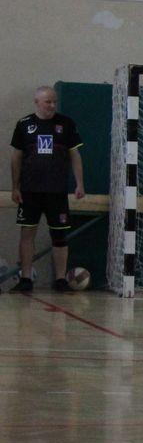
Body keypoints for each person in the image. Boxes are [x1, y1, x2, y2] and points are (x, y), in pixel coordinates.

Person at [9, 86, 84, 292]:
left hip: (56, 190)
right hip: (30, 191)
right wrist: (15, 187)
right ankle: (26, 278)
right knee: (27, 233)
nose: (52, 105)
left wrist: (80, 183)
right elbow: (16, 158)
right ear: (37, 102)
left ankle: (60, 280)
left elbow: (75, 155)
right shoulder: (24, 124)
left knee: (59, 236)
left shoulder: (66, 124)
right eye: (47, 102)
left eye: (54, 102)